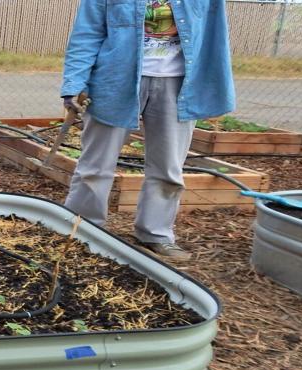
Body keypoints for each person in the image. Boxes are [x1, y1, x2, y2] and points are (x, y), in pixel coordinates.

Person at [60, 1, 235, 262]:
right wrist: (74, 82)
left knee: (168, 169)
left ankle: (156, 234)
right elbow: (88, 33)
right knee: (95, 166)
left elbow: (214, 36)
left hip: (179, 86)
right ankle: (81, 228)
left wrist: (213, 87)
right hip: (113, 81)